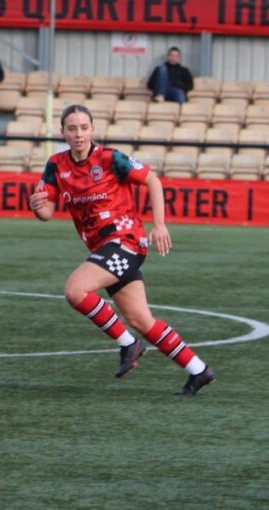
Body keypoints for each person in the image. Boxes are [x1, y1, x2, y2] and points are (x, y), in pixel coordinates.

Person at [27, 104, 216, 396]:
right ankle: (198, 370)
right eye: (72, 128)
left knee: (76, 291)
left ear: (93, 129)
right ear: (62, 132)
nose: (78, 134)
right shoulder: (56, 165)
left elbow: (152, 180)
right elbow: (48, 212)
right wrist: (37, 206)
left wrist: (160, 224)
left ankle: (128, 344)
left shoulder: (110, 158)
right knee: (142, 319)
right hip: (103, 247)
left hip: (125, 241)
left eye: (84, 127)